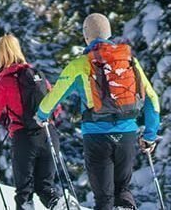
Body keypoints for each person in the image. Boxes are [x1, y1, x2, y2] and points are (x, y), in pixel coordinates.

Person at [36, 13, 162, 210]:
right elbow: (152, 100)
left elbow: (53, 99)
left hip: (96, 137)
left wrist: (41, 115)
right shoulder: (129, 60)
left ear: (86, 36)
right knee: (123, 190)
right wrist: (150, 135)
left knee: (104, 198)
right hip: (127, 133)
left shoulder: (80, 64)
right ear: (109, 33)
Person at [0, 33, 60, 210]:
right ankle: (61, 205)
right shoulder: (38, 76)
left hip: (24, 140)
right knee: (46, 188)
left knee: (24, 193)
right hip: (49, 135)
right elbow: (56, 108)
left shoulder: (5, 83)